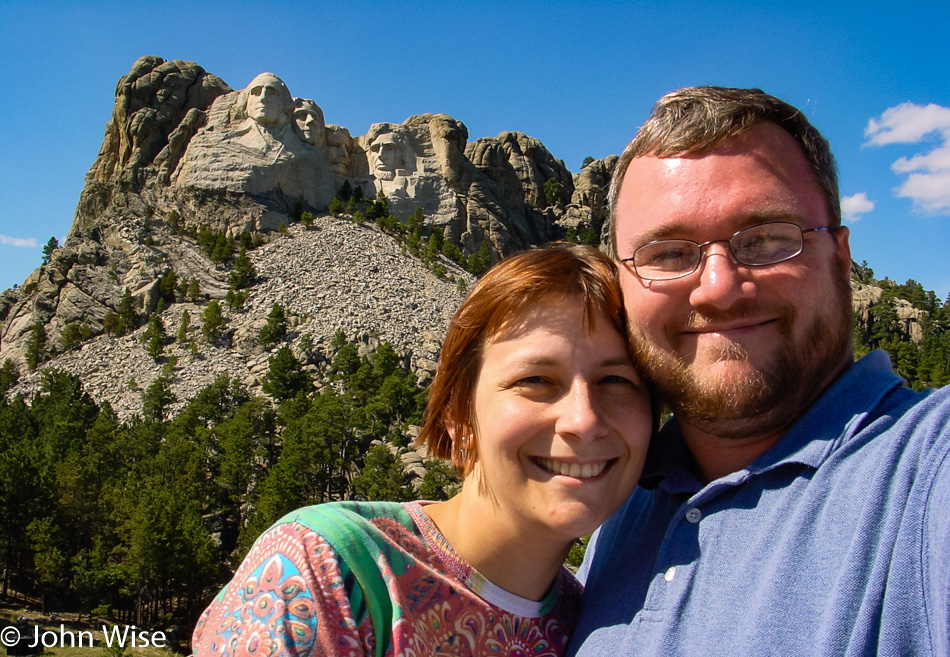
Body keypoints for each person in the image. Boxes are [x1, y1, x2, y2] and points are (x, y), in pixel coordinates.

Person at [567, 86, 950, 656]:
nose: (719, 289)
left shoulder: (926, 473)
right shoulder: (620, 499)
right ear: (621, 285)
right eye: (668, 254)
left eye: (768, 239)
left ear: (841, 260)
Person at [192, 243, 654, 656]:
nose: (584, 420)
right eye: (535, 381)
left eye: (617, 380)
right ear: (459, 419)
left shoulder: (598, 624)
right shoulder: (327, 568)